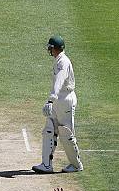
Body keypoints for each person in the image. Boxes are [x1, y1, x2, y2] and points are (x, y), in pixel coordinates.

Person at [32, 36, 83, 174]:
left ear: (54, 48)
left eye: (50, 47)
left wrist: (51, 99)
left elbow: (59, 81)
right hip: (58, 100)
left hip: (65, 100)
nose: (49, 50)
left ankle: (76, 164)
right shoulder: (59, 60)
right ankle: (46, 164)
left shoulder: (63, 62)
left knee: (66, 132)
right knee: (49, 129)